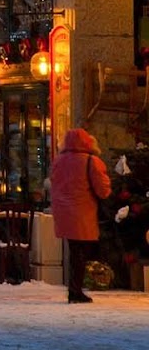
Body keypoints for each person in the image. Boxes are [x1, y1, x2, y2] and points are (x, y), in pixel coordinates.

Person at [50, 127, 111, 303]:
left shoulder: (59, 160)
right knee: (80, 252)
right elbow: (102, 190)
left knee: (75, 250)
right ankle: (75, 290)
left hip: (63, 211)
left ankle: (74, 288)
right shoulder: (91, 161)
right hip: (82, 211)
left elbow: (54, 183)